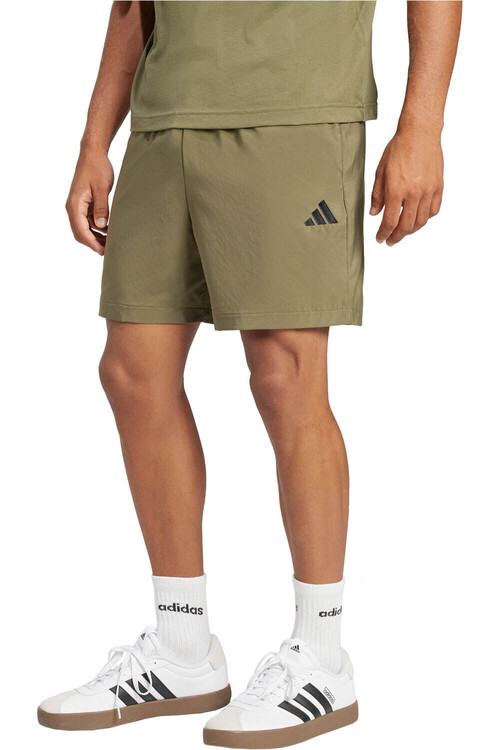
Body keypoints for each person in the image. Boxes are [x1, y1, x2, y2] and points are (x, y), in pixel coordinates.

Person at [38, 2, 461, 746]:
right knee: (132, 370)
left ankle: (322, 660)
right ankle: (182, 648)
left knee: (285, 374)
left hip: (294, 108)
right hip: (166, 113)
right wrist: (94, 140)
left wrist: (422, 125)